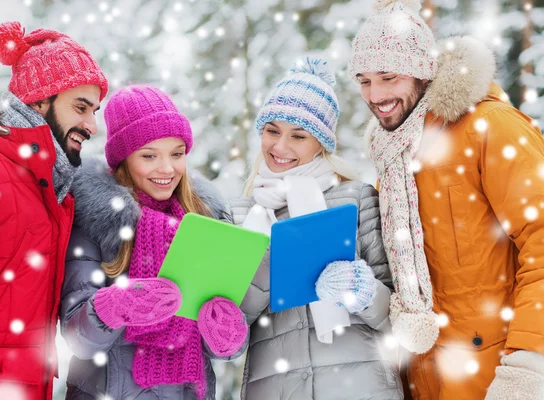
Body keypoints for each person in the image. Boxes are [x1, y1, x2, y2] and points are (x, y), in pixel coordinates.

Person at [348, 0, 544, 398]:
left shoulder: (488, 127)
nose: (376, 95)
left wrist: (526, 365)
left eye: (389, 77)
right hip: (427, 378)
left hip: (494, 376)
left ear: (422, 72)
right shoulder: (393, 156)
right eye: (364, 80)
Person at [0, 21, 107, 399]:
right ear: (37, 101)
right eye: (80, 108)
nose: (92, 125)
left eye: (95, 110)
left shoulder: (49, 188)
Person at [60, 85, 248, 400]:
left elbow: (227, 351)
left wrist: (227, 331)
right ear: (123, 159)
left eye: (176, 154)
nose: (167, 169)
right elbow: (77, 338)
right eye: (149, 156)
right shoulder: (95, 223)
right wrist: (118, 305)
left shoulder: (206, 223)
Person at [230, 58, 403, 399]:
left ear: (320, 143)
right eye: (272, 131)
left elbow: (396, 317)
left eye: (298, 136)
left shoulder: (356, 200)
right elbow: (228, 338)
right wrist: (267, 268)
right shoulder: (240, 215)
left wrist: (363, 292)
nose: (280, 147)